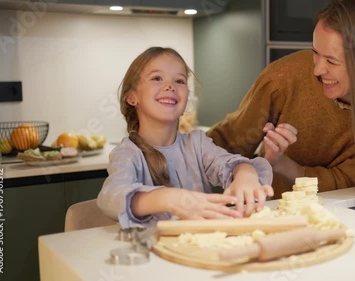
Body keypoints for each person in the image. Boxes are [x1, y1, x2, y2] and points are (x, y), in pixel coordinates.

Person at [207, 0, 355, 208]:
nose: (318, 70)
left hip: (348, 216)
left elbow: (346, 185)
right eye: (315, 53)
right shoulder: (283, 78)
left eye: (331, 61)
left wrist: (283, 164)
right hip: (274, 211)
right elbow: (227, 144)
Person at [97, 47, 274, 227]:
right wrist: (167, 198)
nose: (170, 86)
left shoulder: (197, 143)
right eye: (157, 78)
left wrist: (245, 174)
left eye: (179, 81)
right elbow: (111, 197)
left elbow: (229, 163)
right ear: (132, 97)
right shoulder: (127, 153)